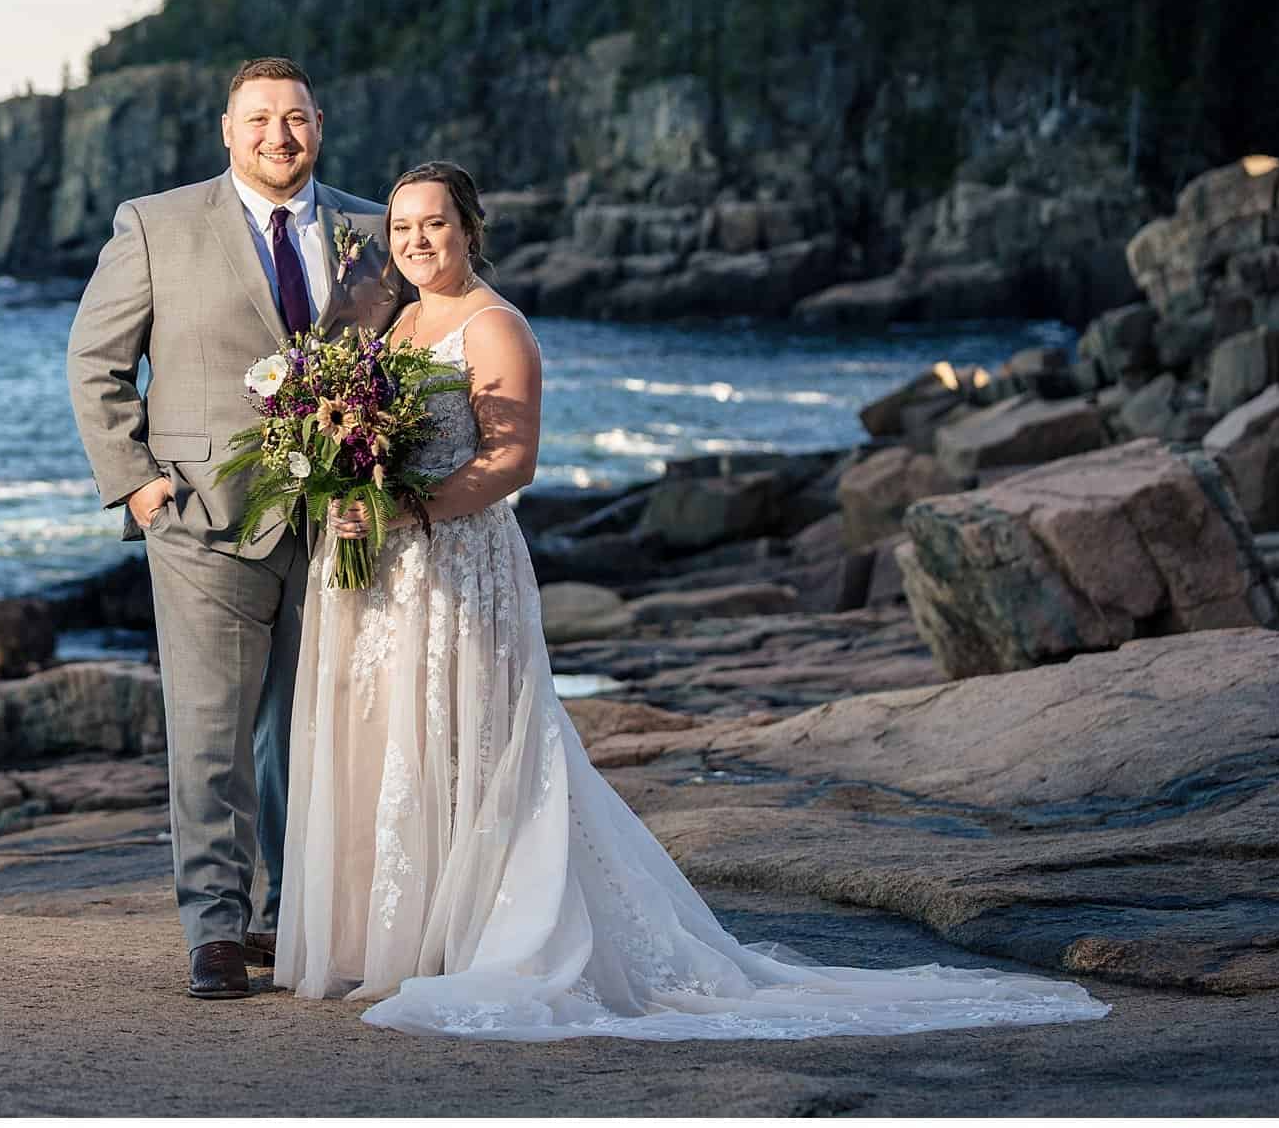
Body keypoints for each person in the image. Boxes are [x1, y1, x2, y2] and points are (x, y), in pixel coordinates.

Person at [274, 160, 1113, 1040]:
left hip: (460, 560)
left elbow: (513, 462)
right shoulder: (399, 321)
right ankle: (407, 938)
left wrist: (408, 509)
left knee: (472, 736)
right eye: (403, 226)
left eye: (434, 224)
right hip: (392, 568)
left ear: (470, 231)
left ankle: (492, 934)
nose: (415, 240)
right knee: (402, 733)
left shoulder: (496, 326)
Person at [66, 57, 400, 1000]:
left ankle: (297, 921)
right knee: (210, 734)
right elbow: (95, 362)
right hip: (203, 520)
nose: (277, 137)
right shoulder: (155, 224)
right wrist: (136, 485)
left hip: (338, 525)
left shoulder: (373, 230)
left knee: (309, 734)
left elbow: (406, 364)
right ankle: (215, 930)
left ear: (320, 126)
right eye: (258, 121)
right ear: (227, 129)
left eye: (294, 120)